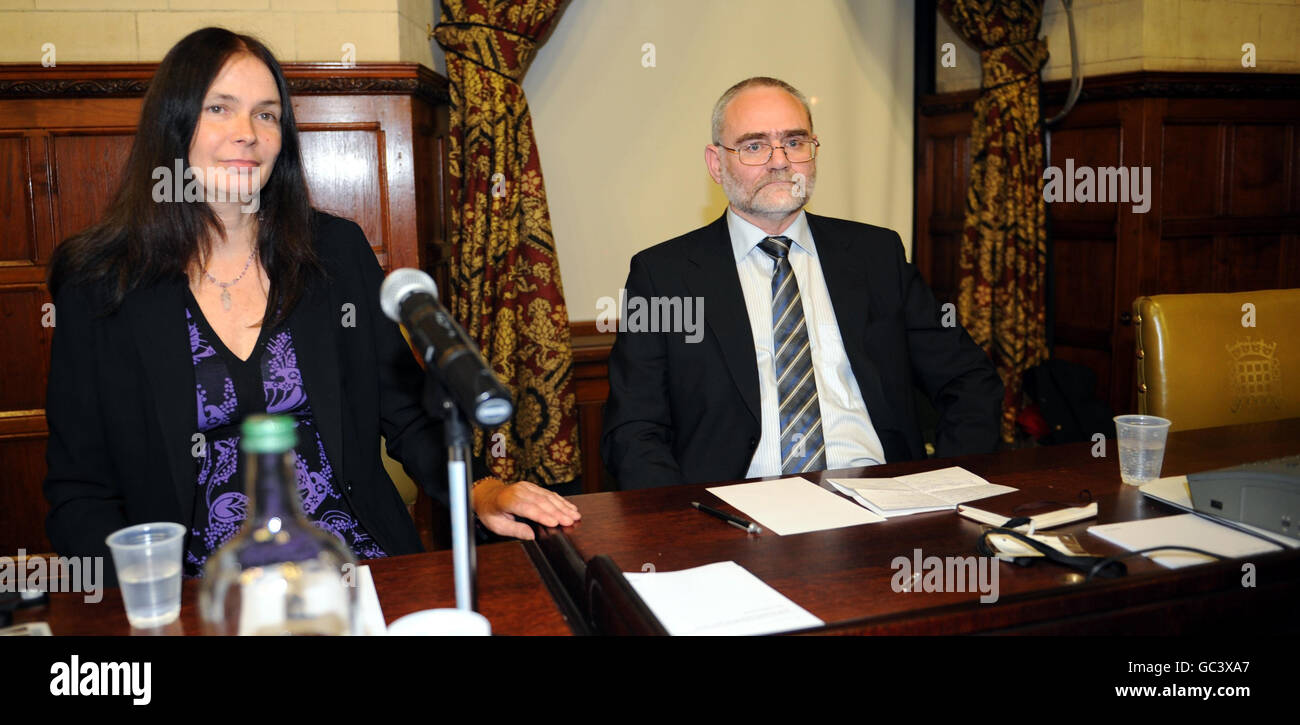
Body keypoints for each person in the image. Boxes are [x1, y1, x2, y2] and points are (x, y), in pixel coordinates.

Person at [43, 27, 578, 586]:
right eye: (220, 108)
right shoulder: (100, 282)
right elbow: (80, 493)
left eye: (267, 115)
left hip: (355, 570)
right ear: (173, 127)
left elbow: (407, 416)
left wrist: (482, 492)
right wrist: (145, 600)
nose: (246, 134)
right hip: (197, 592)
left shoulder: (335, 253)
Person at [601, 77, 1003, 490]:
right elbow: (633, 428)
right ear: (716, 163)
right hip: (738, 511)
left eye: (794, 142)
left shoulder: (876, 254)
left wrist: (948, 487)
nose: (780, 162)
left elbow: (969, 381)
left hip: (880, 500)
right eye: (754, 146)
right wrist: (685, 522)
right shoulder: (663, 276)